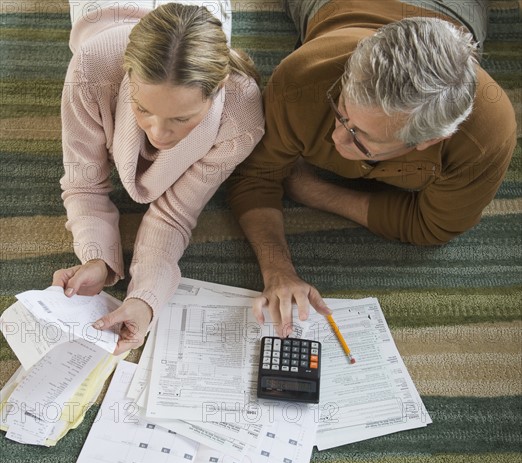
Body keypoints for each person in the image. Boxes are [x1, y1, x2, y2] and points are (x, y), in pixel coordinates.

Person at [227, 0, 517, 336]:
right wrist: (278, 270)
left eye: (361, 137)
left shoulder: (485, 136)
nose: (336, 136)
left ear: (431, 139)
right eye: (341, 111)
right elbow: (253, 175)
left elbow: (432, 226)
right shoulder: (302, 78)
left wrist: (313, 191)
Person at [53, 1, 264, 354]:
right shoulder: (90, 67)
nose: (159, 133)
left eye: (182, 118)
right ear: (127, 75)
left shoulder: (241, 116)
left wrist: (146, 298)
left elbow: (174, 213)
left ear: (219, 86)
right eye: (143, 109)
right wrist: (97, 259)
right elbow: (83, 183)